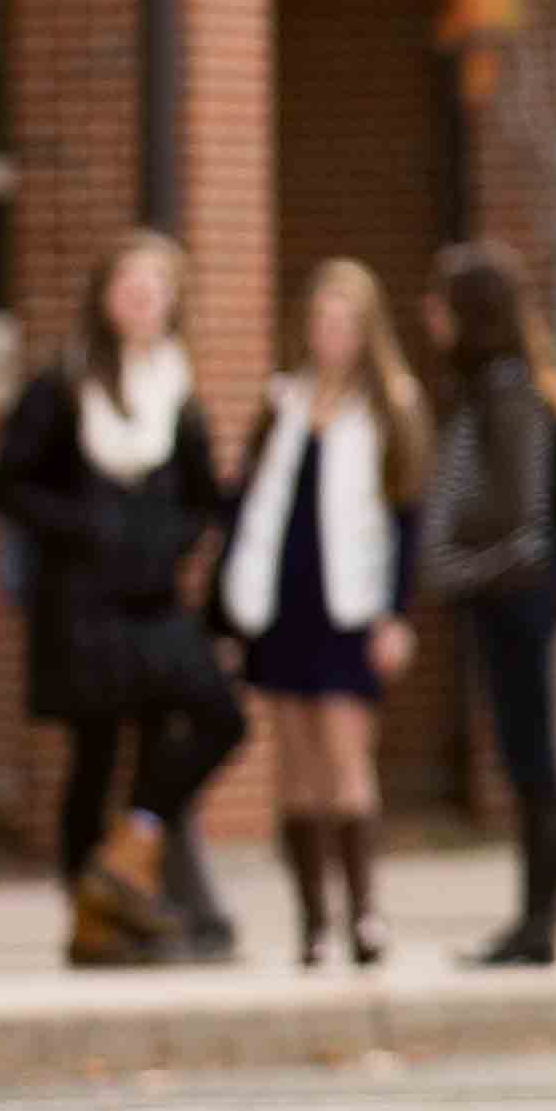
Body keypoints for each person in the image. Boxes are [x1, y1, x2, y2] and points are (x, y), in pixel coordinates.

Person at [0, 229, 245, 969]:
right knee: (92, 754)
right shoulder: (63, 385)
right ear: (104, 297)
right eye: (127, 284)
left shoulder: (179, 393)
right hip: (82, 603)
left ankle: (129, 855)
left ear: (172, 303)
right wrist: (86, 524)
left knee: (214, 717)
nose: (140, 298)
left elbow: (205, 497)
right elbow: (8, 484)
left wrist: (173, 535)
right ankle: (89, 916)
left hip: (155, 601)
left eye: (154, 287)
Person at [219, 259, 425, 969]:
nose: (330, 334)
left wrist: (395, 614)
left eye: (344, 322)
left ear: (367, 330)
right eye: (320, 320)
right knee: (295, 767)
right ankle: (312, 919)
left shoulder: (390, 405)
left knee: (346, 758)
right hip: (283, 601)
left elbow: (407, 518)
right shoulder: (282, 402)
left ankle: (364, 912)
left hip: (351, 603)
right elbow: (247, 502)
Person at [413, 243, 556, 972]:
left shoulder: (509, 397)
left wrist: (456, 557)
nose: (429, 313)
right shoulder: (485, 390)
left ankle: (540, 922)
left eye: (441, 300)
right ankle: (533, 918)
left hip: (516, 600)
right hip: (501, 598)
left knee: (533, 760)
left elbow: (520, 511)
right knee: (524, 760)